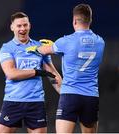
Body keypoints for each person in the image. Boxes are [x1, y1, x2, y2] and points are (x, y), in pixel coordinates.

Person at [26, 3, 105, 133]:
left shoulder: (65, 41)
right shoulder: (100, 42)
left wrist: (36, 48)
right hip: (91, 96)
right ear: (90, 20)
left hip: (70, 96)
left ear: (74, 20)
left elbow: (44, 50)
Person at [0, 12, 62, 133]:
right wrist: (36, 72)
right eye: (19, 26)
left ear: (29, 25)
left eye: (25, 25)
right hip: (13, 101)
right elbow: (11, 73)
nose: (22, 29)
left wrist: (67, 95)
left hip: (36, 103)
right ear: (12, 27)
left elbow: (51, 73)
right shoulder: (7, 48)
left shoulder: (39, 47)